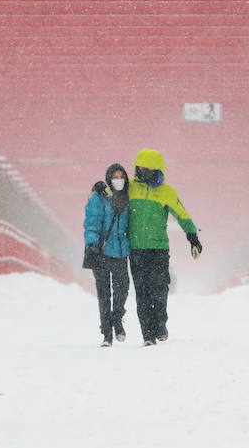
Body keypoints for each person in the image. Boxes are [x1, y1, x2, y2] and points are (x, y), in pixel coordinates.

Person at [126, 148, 202, 346]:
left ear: (157, 170)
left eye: (147, 169)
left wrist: (192, 236)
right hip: (136, 249)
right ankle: (147, 335)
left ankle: (160, 323)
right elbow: (111, 193)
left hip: (158, 249)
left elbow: (182, 214)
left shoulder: (167, 192)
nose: (142, 172)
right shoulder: (130, 187)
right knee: (142, 292)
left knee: (160, 289)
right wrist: (101, 188)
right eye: (140, 168)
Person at [84, 163, 132, 347]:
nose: (118, 180)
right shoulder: (99, 197)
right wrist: (92, 243)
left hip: (120, 252)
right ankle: (107, 333)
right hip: (101, 252)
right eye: (115, 176)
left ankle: (117, 320)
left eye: (121, 176)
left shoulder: (127, 198)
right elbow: (92, 222)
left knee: (122, 290)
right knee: (104, 295)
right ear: (108, 178)